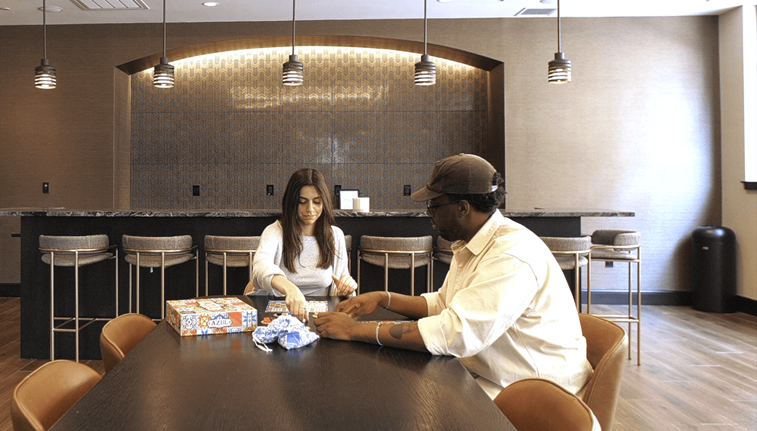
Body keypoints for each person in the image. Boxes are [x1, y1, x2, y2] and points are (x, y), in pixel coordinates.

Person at [313, 154, 592, 399]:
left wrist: (351, 330)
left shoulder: (511, 255)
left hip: (538, 391)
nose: (428, 214)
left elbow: (453, 333)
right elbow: (444, 304)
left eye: (434, 206)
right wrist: (382, 298)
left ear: (462, 208)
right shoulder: (474, 243)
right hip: (496, 376)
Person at [250, 168, 357, 320]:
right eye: (302, 202)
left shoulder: (335, 235)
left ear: (324, 203)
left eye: (317, 202)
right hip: (278, 317)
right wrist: (290, 289)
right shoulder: (275, 231)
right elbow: (260, 267)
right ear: (292, 203)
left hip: (321, 318)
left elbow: (342, 285)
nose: (310, 209)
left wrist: (347, 289)